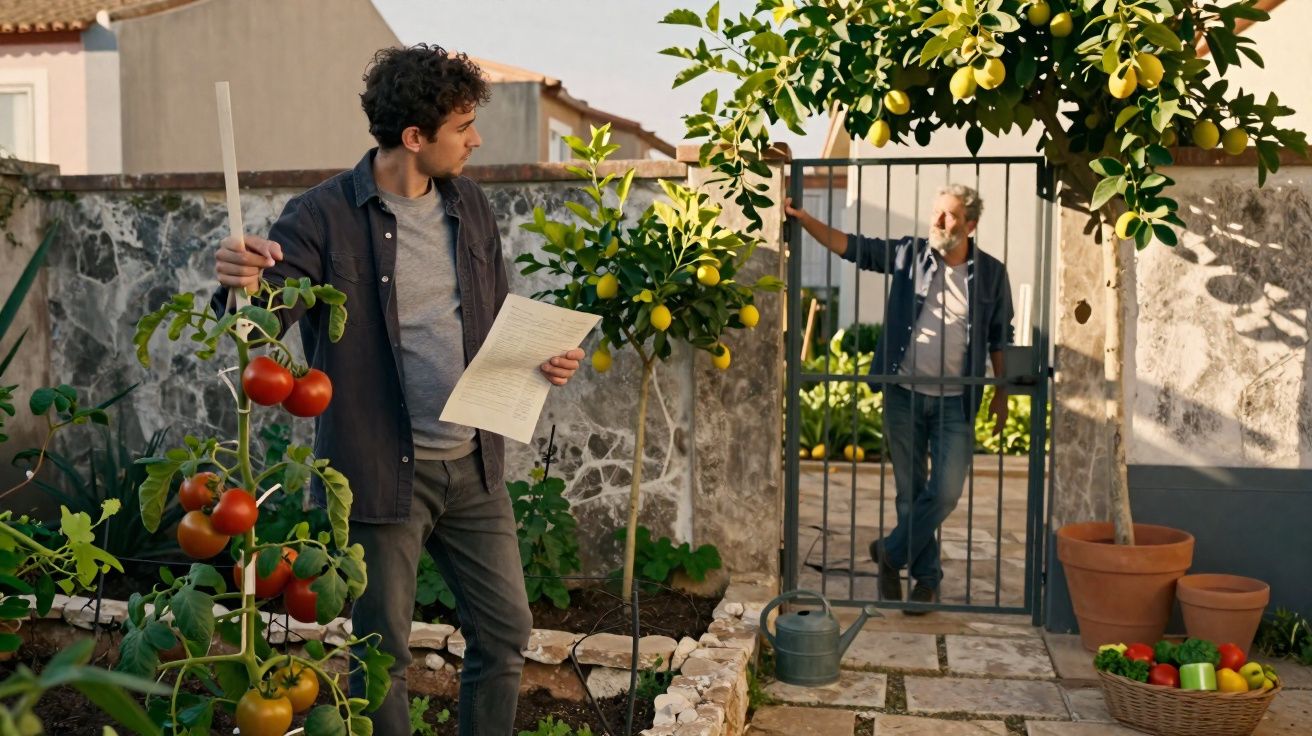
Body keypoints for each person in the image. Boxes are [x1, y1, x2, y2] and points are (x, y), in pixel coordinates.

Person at [212, 45, 584, 734]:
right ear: (415, 137)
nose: (476, 140)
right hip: (381, 471)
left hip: (474, 463)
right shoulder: (321, 216)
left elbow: (490, 317)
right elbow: (259, 324)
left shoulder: (471, 205)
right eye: (463, 127)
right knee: (381, 652)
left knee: (506, 629)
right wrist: (243, 281)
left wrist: (539, 359)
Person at [786, 184, 1012, 613]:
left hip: (955, 402)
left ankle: (890, 552)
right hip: (904, 394)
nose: (937, 221)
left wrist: (1001, 393)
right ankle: (926, 582)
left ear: (970, 225)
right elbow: (854, 248)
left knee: (945, 493)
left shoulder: (992, 274)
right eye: (936, 212)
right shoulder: (911, 254)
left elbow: (1001, 336)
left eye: (949, 216)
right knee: (910, 492)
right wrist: (805, 219)